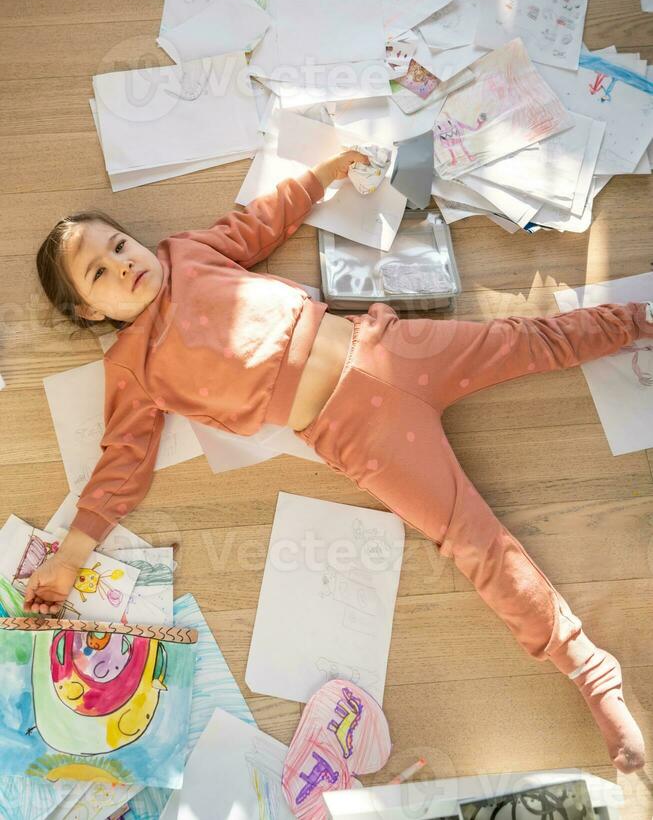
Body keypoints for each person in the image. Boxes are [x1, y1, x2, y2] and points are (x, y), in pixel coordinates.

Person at [30, 150, 651, 773]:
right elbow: (125, 459)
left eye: (117, 245)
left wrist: (323, 173)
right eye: (100, 273)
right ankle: (592, 672)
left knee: (523, 340)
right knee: (473, 542)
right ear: (91, 311)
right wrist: (71, 556)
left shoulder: (185, 253)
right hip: (357, 431)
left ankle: (634, 321)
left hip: (387, 347)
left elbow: (259, 223)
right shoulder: (134, 368)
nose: (121, 263)